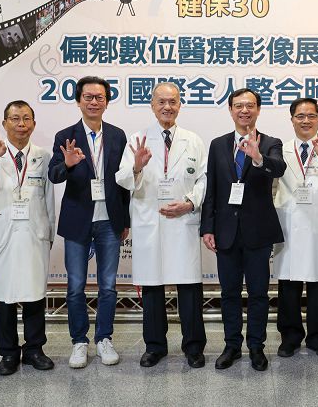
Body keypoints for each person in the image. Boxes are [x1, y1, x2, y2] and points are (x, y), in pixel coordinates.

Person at [116, 82, 208, 369]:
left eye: (173, 101)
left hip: (183, 222)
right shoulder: (138, 138)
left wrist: (190, 203)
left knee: (189, 288)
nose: (167, 107)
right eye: (162, 102)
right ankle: (155, 346)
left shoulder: (194, 140)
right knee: (153, 287)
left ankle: (194, 347)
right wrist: (137, 166)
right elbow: (122, 179)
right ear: (152, 105)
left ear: (180, 105)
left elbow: (204, 179)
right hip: (151, 222)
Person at [200, 88, 286, 371]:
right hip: (225, 230)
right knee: (229, 293)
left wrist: (258, 157)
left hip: (258, 232)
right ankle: (232, 346)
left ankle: (256, 346)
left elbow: (278, 168)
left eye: (250, 105)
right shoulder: (218, 145)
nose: (244, 110)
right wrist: (207, 227)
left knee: (259, 293)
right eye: (238, 105)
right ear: (230, 110)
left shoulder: (271, 142)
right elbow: (212, 188)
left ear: (258, 110)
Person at [0, 100, 56, 376]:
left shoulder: (43, 156)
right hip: (3, 233)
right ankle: (8, 353)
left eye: (26, 118)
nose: (21, 124)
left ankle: (34, 349)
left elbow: (49, 199)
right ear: (4, 123)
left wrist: (49, 232)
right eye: (15, 119)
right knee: (5, 296)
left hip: (34, 233)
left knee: (35, 294)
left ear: (34, 124)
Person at [48, 76, 130, 369]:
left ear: (107, 101)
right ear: (78, 101)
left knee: (108, 285)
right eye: (88, 97)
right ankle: (79, 341)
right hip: (78, 219)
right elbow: (53, 175)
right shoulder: (65, 135)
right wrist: (68, 164)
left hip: (110, 220)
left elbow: (124, 181)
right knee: (75, 286)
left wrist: (125, 219)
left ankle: (104, 338)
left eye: (99, 97)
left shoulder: (118, 135)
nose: (94, 102)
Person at [273, 98, 318, 359]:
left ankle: (317, 337)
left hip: (317, 226)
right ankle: (290, 336)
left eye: (311, 116)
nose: (306, 121)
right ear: (292, 119)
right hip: (289, 224)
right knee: (288, 285)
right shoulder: (280, 149)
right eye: (300, 116)